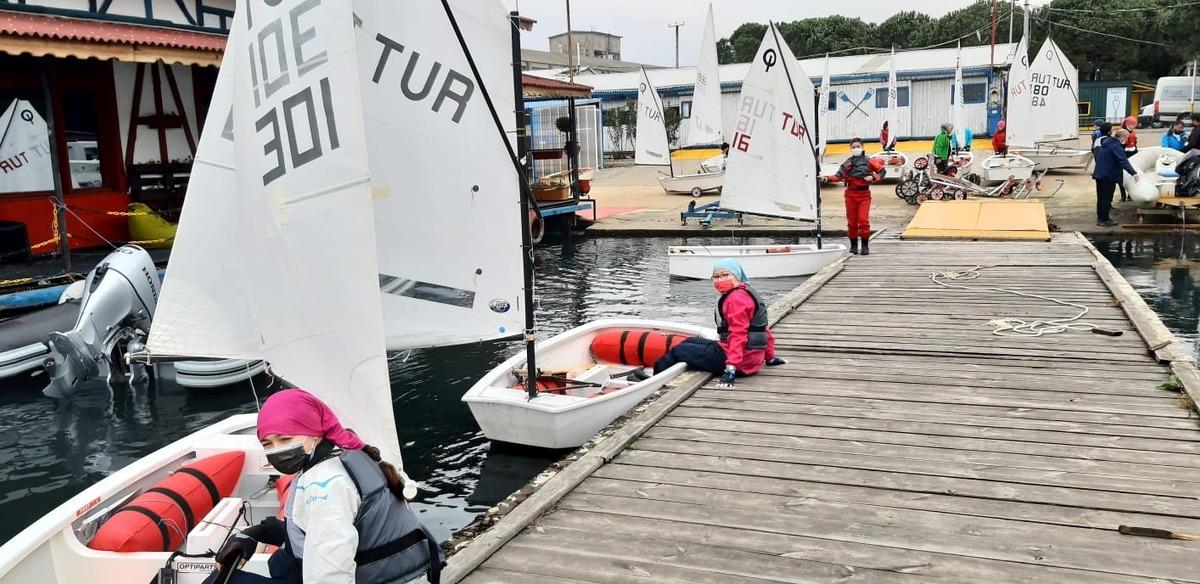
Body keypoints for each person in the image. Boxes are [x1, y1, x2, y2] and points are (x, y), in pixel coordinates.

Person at [210, 389, 444, 584]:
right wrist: (257, 534)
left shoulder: (326, 486)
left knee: (219, 581)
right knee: (281, 563)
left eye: (285, 439)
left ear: (314, 434)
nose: (277, 450)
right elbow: (314, 532)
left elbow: (330, 573)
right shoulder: (343, 459)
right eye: (267, 444)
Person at [653, 259, 784, 389]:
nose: (720, 280)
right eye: (716, 276)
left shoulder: (736, 299)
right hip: (753, 358)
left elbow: (739, 335)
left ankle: (653, 382)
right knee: (690, 341)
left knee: (678, 351)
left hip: (742, 363)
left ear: (737, 275)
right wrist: (770, 357)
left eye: (725, 275)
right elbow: (763, 329)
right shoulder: (747, 292)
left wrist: (731, 368)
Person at [822, 137, 880, 255]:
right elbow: (837, 176)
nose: (855, 149)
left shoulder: (870, 161)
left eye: (858, 146)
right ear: (850, 149)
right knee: (852, 222)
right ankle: (853, 246)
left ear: (863, 147)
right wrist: (826, 178)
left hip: (864, 194)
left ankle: (865, 246)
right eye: (853, 147)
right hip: (850, 194)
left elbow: (882, 172)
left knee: (863, 220)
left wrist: (873, 177)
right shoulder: (847, 162)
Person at [1092, 123, 1140, 228]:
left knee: (1101, 198)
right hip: (1108, 176)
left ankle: (1100, 218)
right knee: (1107, 198)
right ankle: (1104, 220)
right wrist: (1133, 173)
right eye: (1127, 138)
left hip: (1100, 174)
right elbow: (1123, 161)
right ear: (1122, 138)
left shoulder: (1107, 143)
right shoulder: (1115, 146)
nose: (1127, 140)